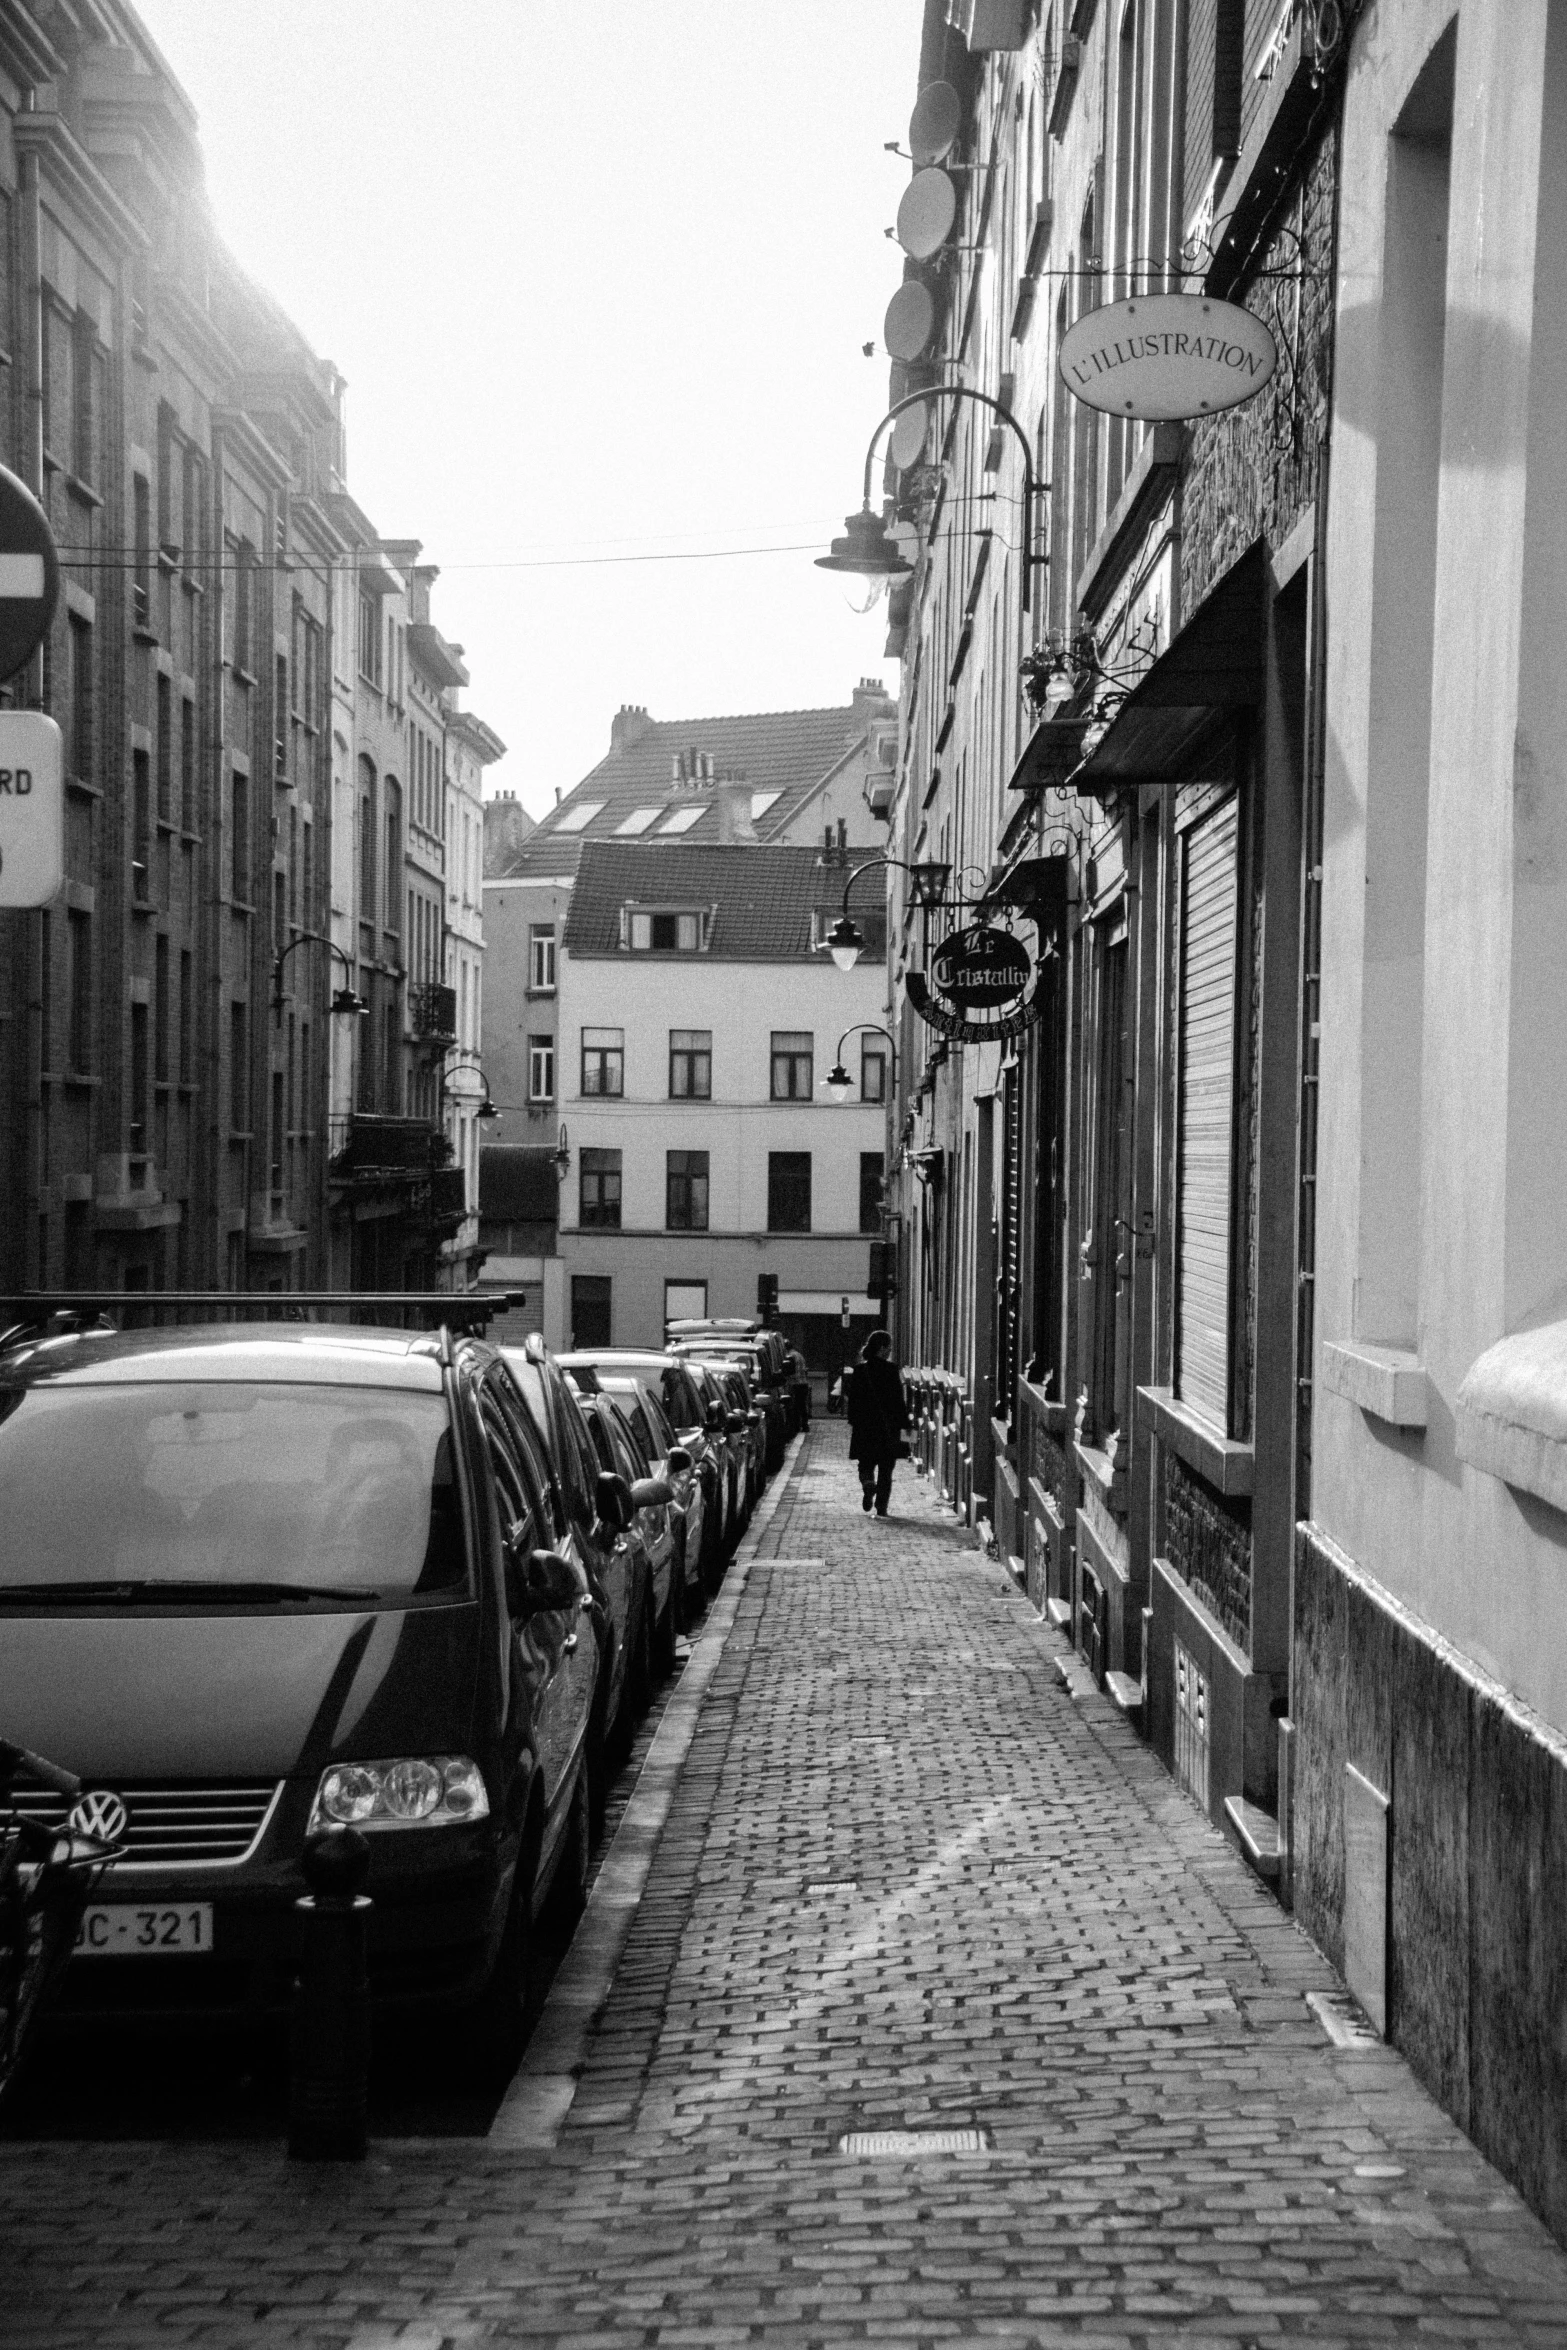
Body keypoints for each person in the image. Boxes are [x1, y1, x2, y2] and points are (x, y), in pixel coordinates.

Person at [845, 1329, 908, 1517]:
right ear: (881, 1348)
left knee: (865, 1464)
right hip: (888, 1428)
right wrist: (905, 1426)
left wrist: (854, 1421)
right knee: (886, 1470)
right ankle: (881, 1507)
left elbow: (853, 1399)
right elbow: (898, 1402)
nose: (889, 1351)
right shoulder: (891, 1370)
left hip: (864, 1428)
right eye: (888, 1347)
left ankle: (867, 1484)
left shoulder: (859, 1370)